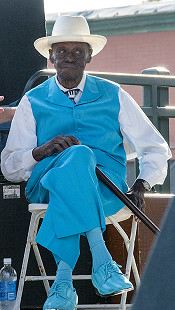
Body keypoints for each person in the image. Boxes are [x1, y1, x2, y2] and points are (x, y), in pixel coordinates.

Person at [1, 15, 171, 310]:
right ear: (51, 56)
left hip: (107, 190)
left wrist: (143, 184)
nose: (69, 58)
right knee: (79, 155)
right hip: (47, 186)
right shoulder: (33, 100)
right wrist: (41, 150)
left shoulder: (113, 94)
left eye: (78, 51)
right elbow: (10, 168)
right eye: (62, 51)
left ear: (89, 56)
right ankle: (102, 260)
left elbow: (155, 147)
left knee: (79, 158)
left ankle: (63, 284)